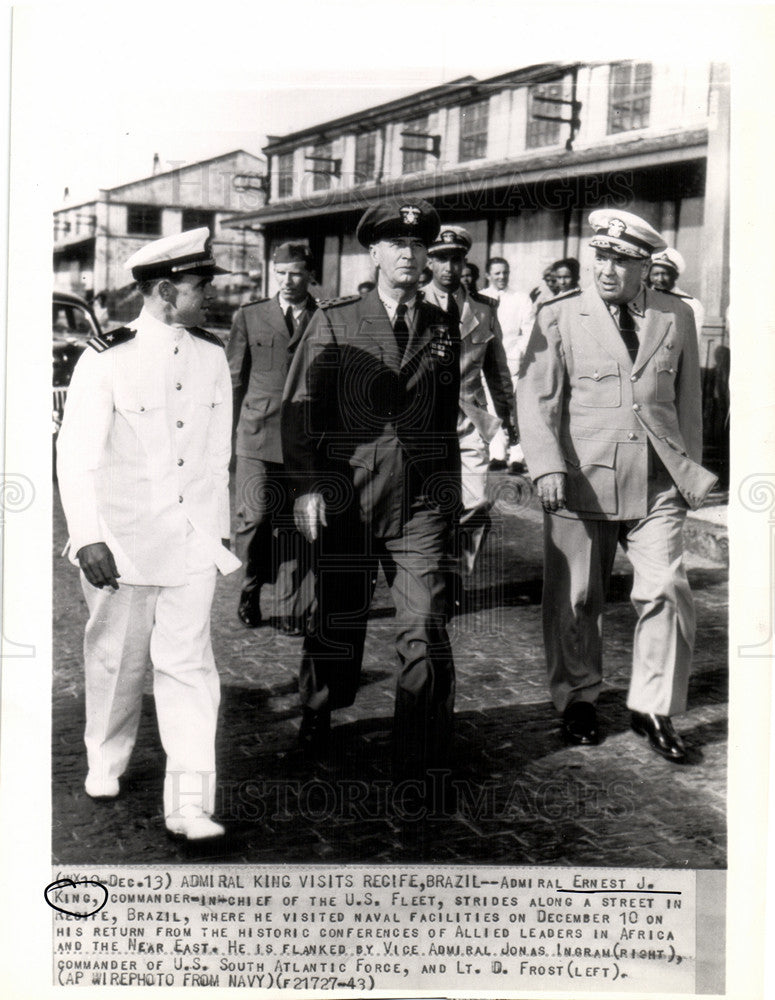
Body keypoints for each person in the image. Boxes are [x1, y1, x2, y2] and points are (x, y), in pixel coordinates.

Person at [56, 228, 240, 840]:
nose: (211, 295)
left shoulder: (213, 356)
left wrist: (216, 535)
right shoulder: (106, 356)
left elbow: (218, 458)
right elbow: (76, 455)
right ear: (164, 291)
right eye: (200, 286)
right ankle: (105, 757)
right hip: (124, 541)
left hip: (192, 541)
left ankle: (190, 805)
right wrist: (87, 536)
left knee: (189, 667)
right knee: (117, 658)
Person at [518, 209, 717, 762]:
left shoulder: (674, 314)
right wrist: (547, 466)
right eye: (599, 256)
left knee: (666, 590)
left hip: (656, 482)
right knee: (577, 597)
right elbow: (537, 398)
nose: (606, 268)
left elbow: (688, 405)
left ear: (644, 264)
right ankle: (579, 698)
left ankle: (653, 705)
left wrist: (688, 472)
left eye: (620, 259)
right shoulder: (560, 314)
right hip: (582, 479)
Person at [281, 198, 461, 785]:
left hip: (420, 504)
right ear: (375, 252)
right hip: (349, 495)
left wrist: (450, 497)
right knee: (338, 617)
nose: (410, 255)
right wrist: (308, 486)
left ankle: (421, 749)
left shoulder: (443, 324)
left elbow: (443, 417)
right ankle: (317, 709)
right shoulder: (335, 318)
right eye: (397, 245)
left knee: (426, 622)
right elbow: (301, 410)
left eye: (418, 246)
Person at [228, 243, 318, 635]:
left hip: (303, 439)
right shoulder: (250, 316)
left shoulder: (324, 317)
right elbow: (233, 380)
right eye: (281, 273)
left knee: (297, 523)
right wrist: (222, 441)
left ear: (308, 275)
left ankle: (290, 607)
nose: (287, 281)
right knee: (256, 518)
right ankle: (249, 589)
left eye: (295, 273)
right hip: (256, 434)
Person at [422, 225, 515, 595]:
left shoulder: (483, 309)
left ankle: (456, 577)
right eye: (441, 258)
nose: (449, 267)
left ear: (465, 263)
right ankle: (427, 578)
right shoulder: (413, 303)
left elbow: (497, 368)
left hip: (469, 419)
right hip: (423, 421)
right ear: (429, 261)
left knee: (475, 502)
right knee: (426, 507)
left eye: (456, 259)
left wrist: (509, 417)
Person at [482, 256, 534, 470]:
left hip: (513, 363)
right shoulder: (480, 298)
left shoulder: (521, 298)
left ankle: (517, 456)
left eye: (505, 272)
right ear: (488, 275)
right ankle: (497, 454)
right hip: (486, 364)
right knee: (491, 410)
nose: (502, 276)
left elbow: (529, 329)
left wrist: (520, 352)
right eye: (497, 273)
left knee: (514, 409)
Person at [648, 247, 705, 337]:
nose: (660, 279)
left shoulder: (691, 304)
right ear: (649, 276)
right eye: (656, 274)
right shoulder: (642, 299)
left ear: (675, 276)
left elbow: (693, 341)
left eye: (665, 274)